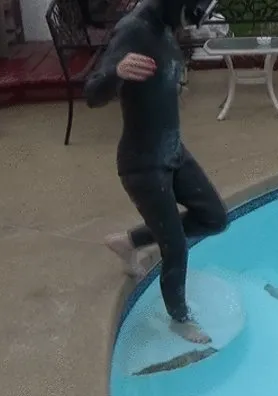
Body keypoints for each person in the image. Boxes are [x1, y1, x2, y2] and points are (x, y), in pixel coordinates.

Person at [84, 0, 227, 344]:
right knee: (175, 246)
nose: (195, 20)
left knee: (215, 218)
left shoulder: (164, 26)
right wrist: (116, 71)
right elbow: (91, 94)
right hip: (143, 163)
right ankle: (180, 319)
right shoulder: (133, 29)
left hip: (173, 150)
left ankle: (129, 241)